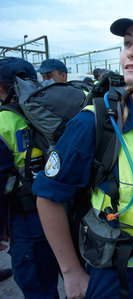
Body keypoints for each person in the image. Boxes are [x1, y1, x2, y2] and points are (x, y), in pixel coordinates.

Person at [33, 12, 133, 298]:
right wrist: (70, 272)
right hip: (113, 270)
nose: (131, 52)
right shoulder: (94, 123)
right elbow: (48, 196)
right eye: (128, 43)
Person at [0, 57, 61, 298]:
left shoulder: (3, 120)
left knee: (38, 287)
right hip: (67, 209)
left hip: (27, 219)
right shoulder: (55, 108)